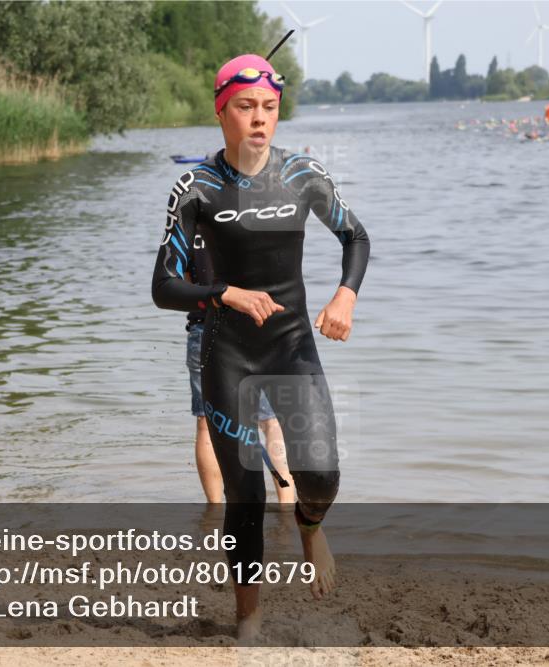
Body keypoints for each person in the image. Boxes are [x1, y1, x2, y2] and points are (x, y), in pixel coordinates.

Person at [152, 53, 370, 639]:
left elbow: (355, 235)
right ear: (222, 112)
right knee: (245, 495)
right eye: (245, 107)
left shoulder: (302, 175)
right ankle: (249, 617)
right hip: (228, 354)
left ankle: (308, 526)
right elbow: (164, 287)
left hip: (292, 346)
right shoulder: (196, 187)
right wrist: (224, 293)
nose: (259, 119)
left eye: (269, 108)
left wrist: (345, 294)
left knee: (321, 476)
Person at [185, 232, 296, 505]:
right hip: (256, 326)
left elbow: (186, 282)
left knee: (206, 423)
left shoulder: (188, 223)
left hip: (205, 327)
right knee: (270, 422)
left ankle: (214, 509)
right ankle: (286, 506)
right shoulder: (251, 215)